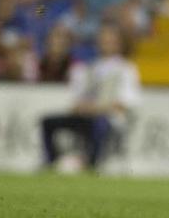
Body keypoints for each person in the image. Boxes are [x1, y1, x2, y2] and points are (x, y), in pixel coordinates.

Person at [40, 23, 141, 172]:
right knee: (48, 121)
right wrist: (82, 107)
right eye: (103, 40)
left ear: (119, 44)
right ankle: (50, 161)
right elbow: (76, 98)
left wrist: (97, 108)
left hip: (109, 118)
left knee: (100, 123)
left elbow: (126, 102)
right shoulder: (88, 67)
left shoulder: (126, 69)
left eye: (110, 41)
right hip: (85, 116)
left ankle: (93, 164)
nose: (105, 44)